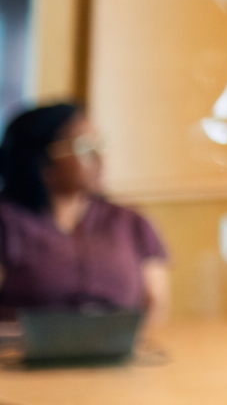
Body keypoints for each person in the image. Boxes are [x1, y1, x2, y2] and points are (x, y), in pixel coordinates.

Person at [0, 102, 169, 324]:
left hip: (117, 355)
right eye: (86, 147)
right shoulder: (8, 222)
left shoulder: (130, 221)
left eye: (101, 145)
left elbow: (156, 309)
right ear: (43, 159)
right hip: (23, 355)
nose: (100, 158)